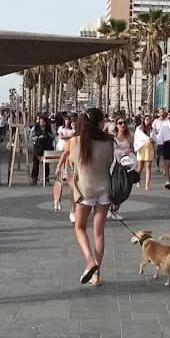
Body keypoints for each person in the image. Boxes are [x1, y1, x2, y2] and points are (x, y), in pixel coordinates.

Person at [68, 108, 113, 287]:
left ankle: (89, 260)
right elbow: (109, 162)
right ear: (100, 123)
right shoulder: (108, 141)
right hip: (104, 189)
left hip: (85, 189)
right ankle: (97, 275)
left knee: (79, 227)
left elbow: (73, 164)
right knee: (99, 233)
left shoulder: (76, 141)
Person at [109, 117, 133, 221]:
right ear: (116, 125)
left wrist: (130, 152)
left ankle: (114, 208)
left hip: (126, 166)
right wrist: (123, 152)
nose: (122, 125)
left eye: (124, 123)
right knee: (115, 188)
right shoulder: (113, 139)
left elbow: (132, 150)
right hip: (115, 166)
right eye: (120, 123)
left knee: (125, 189)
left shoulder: (129, 137)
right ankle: (113, 210)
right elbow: (111, 152)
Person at [52, 116, 76, 212]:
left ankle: (71, 209)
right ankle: (57, 201)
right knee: (61, 181)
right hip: (63, 151)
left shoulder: (73, 132)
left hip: (71, 162)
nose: (67, 122)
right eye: (66, 120)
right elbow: (61, 137)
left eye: (68, 120)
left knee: (72, 186)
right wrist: (58, 167)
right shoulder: (61, 129)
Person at [30, 115, 54, 186]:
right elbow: (31, 137)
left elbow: (53, 136)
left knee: (46, 164)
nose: (43, 123)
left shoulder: (48, 128)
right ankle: (34, 178)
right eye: (41, 121)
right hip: (38, 147)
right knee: (35, 163)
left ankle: (46, 178)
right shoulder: (35, 128)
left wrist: (49, 135)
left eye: (44, 122)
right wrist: (38, 137)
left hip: (47, 147)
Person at [134, 115, 155, 191]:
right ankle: (137, 180)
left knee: (148, 167)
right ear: (144, 120)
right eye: (147, 119)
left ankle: (147, 185)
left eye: (149, 119)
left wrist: (153, 141)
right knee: (140, 167)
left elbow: (155, 138)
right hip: (141, 148)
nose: (148, 121)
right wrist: (148, 139)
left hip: (149, 149)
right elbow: (137, 138)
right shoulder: (139, 128)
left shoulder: (152, 129)